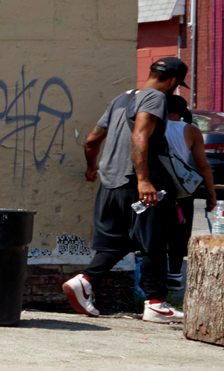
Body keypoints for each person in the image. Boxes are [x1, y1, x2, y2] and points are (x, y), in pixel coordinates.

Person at [63, 57, 190, 322]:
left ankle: (85, 281)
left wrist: (91, 169)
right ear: (174, 82)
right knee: (153, 242)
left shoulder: (121, 99)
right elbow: (140, 135)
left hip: (110, 184)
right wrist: (144, 180)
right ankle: (156, 303)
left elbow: (91, 140)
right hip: (138, 184)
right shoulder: (156, 98)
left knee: (116, 242)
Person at [164, 94, 218, 294]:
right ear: (182, 110)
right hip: (181, 189)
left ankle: (152, 277)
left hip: (154, 185)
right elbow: (203, 166)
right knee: (179, 234)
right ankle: (175, 276)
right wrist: (211, 194)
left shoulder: (152, 125)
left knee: (156, 232)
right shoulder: (191, 130)